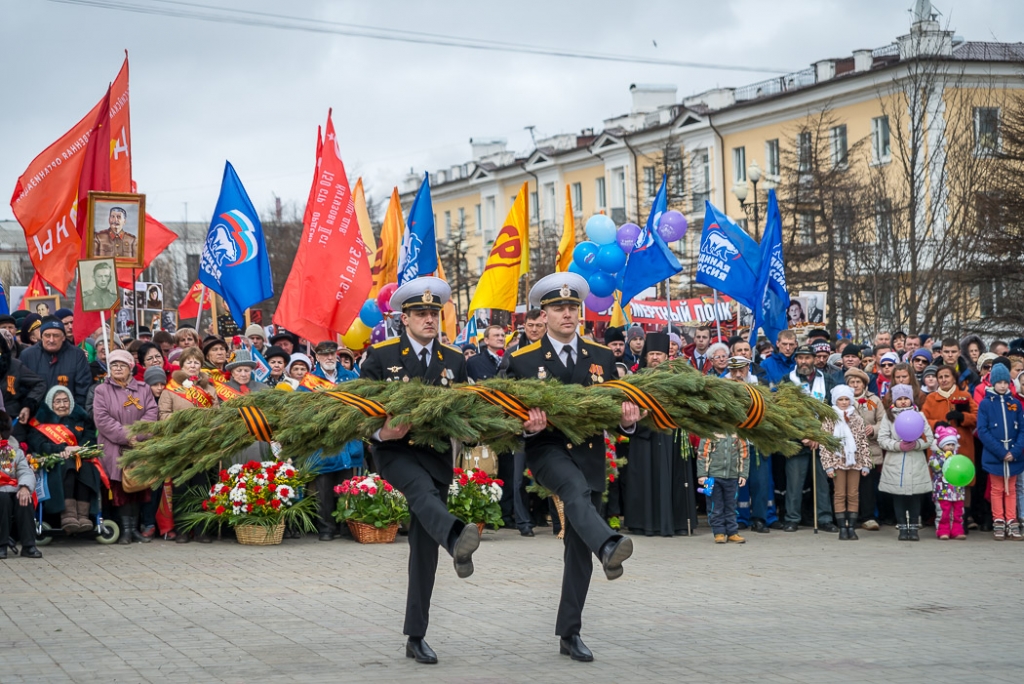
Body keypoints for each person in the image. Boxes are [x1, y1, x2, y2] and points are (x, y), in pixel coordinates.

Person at [505, 272, 640, 663]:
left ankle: (570, 632)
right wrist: (525, 425)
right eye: (558, 308)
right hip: (547, 451)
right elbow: (506, 418)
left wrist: (628, 420)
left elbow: (615, 411)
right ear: (543, 315)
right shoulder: (523, 361)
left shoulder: (601, 357)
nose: (567, 314)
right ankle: (609, 543)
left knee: (577, 550)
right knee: (574, 490)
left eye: (572, 307)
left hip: (589, 453)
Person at [359, 276, 473, 665]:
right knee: (421, 492)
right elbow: (360, 413)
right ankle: (455, 536)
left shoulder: (454, 360)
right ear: (404, 318)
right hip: (396, 452)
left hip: (437, 455)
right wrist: (382, 431)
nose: (429, 319)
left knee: (424, 551)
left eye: (434, 313)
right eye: (421, 313)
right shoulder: (380, 356)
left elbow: (466, 411)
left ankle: (416, 635)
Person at [621, 332, 697, 537]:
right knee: (644, 480)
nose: (655, 357)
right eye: (652, 354)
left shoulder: (677, 379)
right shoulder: (636, 380)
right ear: (646, 356)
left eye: (659, 354)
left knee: (673, 478)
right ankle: (643, 523)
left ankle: (676, 523)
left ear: (666, 356)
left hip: (670, 436)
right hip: (644, 437)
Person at [93, 349, 159, 545]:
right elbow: (102, 419)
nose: (118, 368)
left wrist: (138, 434)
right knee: (120, 490)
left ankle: (134, 530)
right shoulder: (102, 390)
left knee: (137, 488)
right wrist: (126, 436)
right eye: (114, 365)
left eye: (122, 365)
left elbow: (151, 414)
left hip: (139, 446)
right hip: (113, 446)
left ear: (131, 368)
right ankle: (124, 530)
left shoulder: (144, 389)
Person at [159, 347, 218, 543]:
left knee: (202, 487)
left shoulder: (209, 389)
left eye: (196, 362)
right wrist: (184, 420)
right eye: (189, 362)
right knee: (181, 488)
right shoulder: (171, 388)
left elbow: (217, 414)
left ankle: (201, 529)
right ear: (182, 365)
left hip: (202, 445)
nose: (193, 365)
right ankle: (183, 529)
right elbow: (163, 415)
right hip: (180, 445)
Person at [27, 386, 99, 535]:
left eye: (65, 401)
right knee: (68, 465)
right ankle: (68, 515)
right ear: (50, 403)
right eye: (57, 401)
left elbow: (90, 438)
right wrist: (63, 449)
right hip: (54, 464)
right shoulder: (40, 422)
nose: (62, 405)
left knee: (87, 468)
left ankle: (83, 516)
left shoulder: (81, 419)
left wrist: (79, 448)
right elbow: (39, 444)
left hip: (80, 458)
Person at [781, 344, 837, 532]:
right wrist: (804, 435)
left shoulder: (827, 379)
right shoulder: (788, 380)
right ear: (796, 359)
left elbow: (832, 411)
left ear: (814, 359)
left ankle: (825, 518)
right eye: (800, 358)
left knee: (822, 482)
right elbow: (786, 412)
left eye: (807, 357)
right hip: (796, 440)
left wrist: (819, 436)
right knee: (794, 483)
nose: (804, 361)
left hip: (821, 440)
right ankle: (792, 518)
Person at [877, 384, 935, 541]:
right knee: (899, 498)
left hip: (916, 462)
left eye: (906, 398)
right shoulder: (889, 417)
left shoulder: (919, 416)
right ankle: (902, 528)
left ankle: (914, 528)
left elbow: (929, 438)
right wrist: (898, 445)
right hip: (895, 464)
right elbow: (882, 439)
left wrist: (917, 444)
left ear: (911, 400)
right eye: (900, 399)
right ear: (894, 401)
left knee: (915, 497)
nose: (903, 401)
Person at [977, 363, 1024, 541]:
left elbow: (1022, 430)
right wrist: (1000, 452)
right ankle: (998, 520)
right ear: (993, 383)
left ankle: (1011, 520)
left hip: (1014, 455)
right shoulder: (985, 404)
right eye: (999, 382)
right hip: (995, 455)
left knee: (1011, 488)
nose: (1003, 386)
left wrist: (1015, 451)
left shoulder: (1015, 404)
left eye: (1006, 382)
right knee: (997, 489)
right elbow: (982, 431)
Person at [819, 386, 872, 540]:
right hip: (837, 462)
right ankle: (842, 527)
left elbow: (863, 441)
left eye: (846, 399)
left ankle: (852, 527)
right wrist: (828, 465)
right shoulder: (829, 418)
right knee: (840, 493)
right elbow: (825, 443)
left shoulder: (857, 418)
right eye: (840, 399)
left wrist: (866, 463)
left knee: (853, 494)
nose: (843, 402)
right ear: (835, 401)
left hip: (855, 462)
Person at [845, 368, 886, 531]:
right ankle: (850, 516)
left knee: (867, 486)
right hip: (849, 451)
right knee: (849, 485)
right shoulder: (842, 400)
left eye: (858, 382)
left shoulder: (874, 400)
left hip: (869, 450)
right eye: (852, 382)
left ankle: (868, 517)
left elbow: (883, 420)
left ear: (864, 384)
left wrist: (874, 429)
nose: (855, 385)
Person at [19, 317, 93, 407]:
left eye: (56, 335)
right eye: (47, 335)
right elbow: (22, 387)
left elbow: (83, 388)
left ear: (63, 337)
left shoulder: (77, 355)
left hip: (69, 411)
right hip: (37, 412)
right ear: (41, 336)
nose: (51, 340)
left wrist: (74, 411)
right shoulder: (27, 355)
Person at [697, 427, 749, 544]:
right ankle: (719, 532)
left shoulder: (739, 432)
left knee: (731, 506)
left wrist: (743, 474)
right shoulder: (710, 431)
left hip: (732, 477)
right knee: (715, 506)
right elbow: (702, 454)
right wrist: (702, 474)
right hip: (712, 477)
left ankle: (732, 532)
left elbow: (744, 454)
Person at [0, 333, 46, 446]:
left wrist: (28, 405)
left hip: (12, 422)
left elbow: (39, 384)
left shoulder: (14, 365)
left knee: (14, 454)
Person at [0, 439, 41, 559]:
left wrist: (25, 487)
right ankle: (1, 546)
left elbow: (25, 472)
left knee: (24, 498)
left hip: (13, 488)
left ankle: (29, 546)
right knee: (3, 499)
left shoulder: (12, 450)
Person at [929, 425, 967, 540]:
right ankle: (942, 531)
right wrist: (944, 459)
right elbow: (935, 468)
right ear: (941, 445)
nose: (950, 447)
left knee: (958, 512)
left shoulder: (957, 457)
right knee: (943, 512)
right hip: (942, 491)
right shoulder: (935, 457)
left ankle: (957, 530)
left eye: (952, 444)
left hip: (957, 491)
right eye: (947, 444)